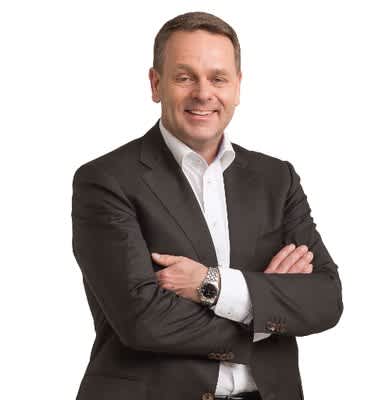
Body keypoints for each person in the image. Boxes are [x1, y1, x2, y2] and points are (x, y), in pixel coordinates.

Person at [71, 11, 343, 400]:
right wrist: (268, 308)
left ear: (237, 86)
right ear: (156, 84)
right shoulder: (106, 180)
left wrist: (210, 284)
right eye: (185, 77)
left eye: (218, 78)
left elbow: (325, 299)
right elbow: (144, 320)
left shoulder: (276, 178)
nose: (203, 93)